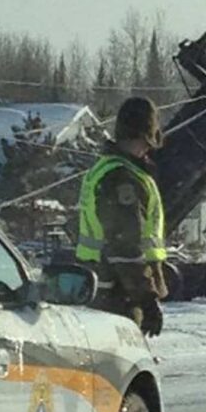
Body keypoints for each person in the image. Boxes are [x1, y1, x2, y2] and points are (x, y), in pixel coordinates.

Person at [76, 97, 167, 336]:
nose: (149, 149)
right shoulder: (123, 179)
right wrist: (147, 299)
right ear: (145, 135)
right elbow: (125, 248)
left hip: (103, 288)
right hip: (118, 295)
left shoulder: (106, 168)